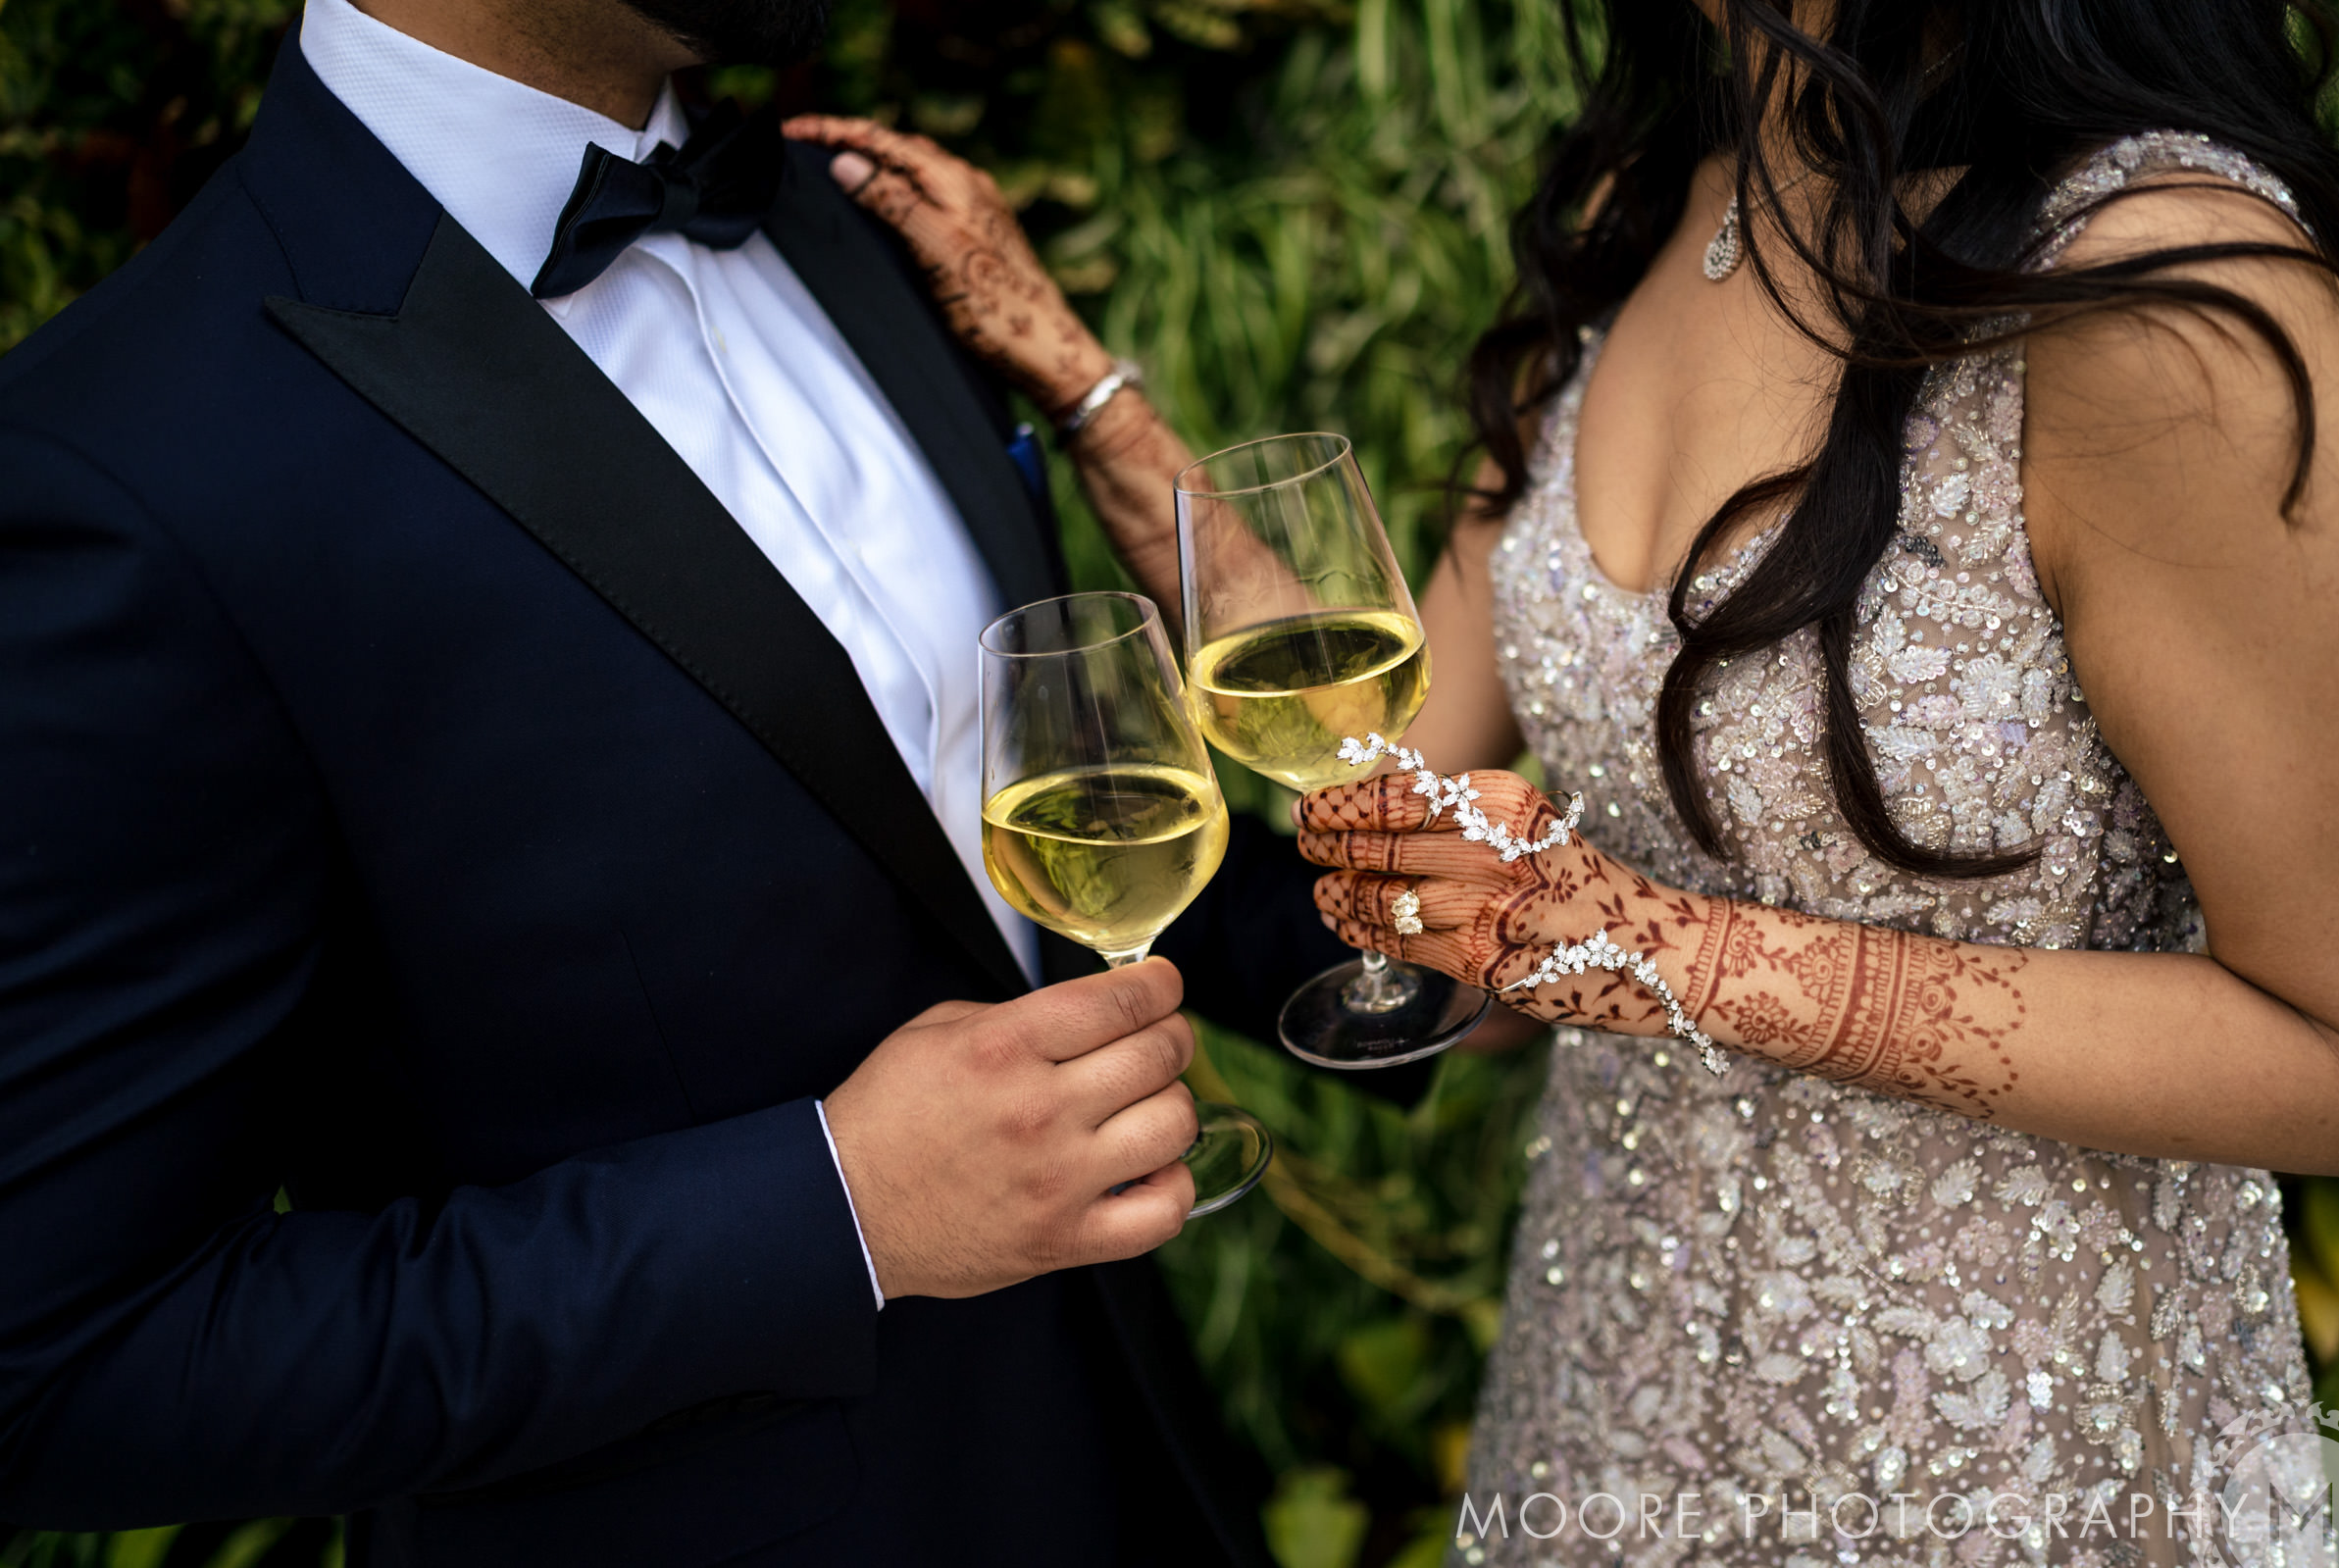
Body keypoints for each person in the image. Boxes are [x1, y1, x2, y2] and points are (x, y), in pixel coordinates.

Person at [799, 0, 2339, 1558]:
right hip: (1612, 1367)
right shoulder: (1660, 200)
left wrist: (1657, 952)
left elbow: (2335, 1047)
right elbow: (1388, 761)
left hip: (2011, 1432)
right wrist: (1082, 386)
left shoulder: (2169, 300)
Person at [0, 0, 1351, 1559]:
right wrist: (832, 1214)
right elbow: (74, 1368)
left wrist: (1385, 941)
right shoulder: (119, 468)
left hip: (1138, 1465)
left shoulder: (845, 217)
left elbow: (980, 828)